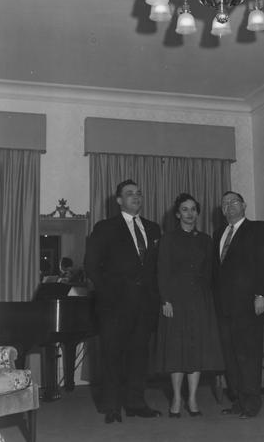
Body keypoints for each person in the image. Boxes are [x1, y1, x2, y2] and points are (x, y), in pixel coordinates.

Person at [84, 179, 162, 424]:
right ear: (119, 200)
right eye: (130, 194)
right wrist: (107, 295)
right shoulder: (105, 227)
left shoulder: (153, 228)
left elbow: (158, 267)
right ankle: (112, 407)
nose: (136, 197)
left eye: (138, 193)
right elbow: (91, 266)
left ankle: (136, 403)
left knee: (139, 356)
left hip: (145, 305)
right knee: (112, 356)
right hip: (114, 306)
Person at [156, 193, 224, 418]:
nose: (189, 213)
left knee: (196, 350)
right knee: (177, 351)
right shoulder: (168, 239)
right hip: (175, 301)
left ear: (197, 212)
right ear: (177, 214)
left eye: (193, 209)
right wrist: (166, 299)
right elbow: (162, 272)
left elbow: (211, 273)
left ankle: (193, 398)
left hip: (200, 301)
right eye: (184, 209)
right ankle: (176, 397)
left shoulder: (206, 240)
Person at [213, 191, 264, 419]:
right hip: (224, 307)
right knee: (230, 357)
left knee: (248, 355)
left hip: (249, 304)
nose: (229, 206)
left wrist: (261, 294)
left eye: (234, 202)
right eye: (225, 203)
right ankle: (238, 400)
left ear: (244, 205)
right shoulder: (218, 233)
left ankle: (251, 403)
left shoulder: (258, 228)